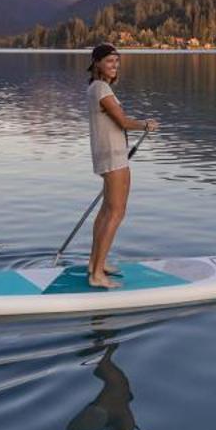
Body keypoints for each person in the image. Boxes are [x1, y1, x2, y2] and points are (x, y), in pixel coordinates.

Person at [85, 43, 157, 289]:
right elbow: (122, 121)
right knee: (116, 212)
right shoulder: (101, 88)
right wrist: (145, 124)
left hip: (112, 155)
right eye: (109, 61)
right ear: (97, 63)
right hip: (113, 157)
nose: (114, 66)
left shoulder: (97, 87)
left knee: (107, 211)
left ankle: (96, 263)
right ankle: (96, 275)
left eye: (117, 61)